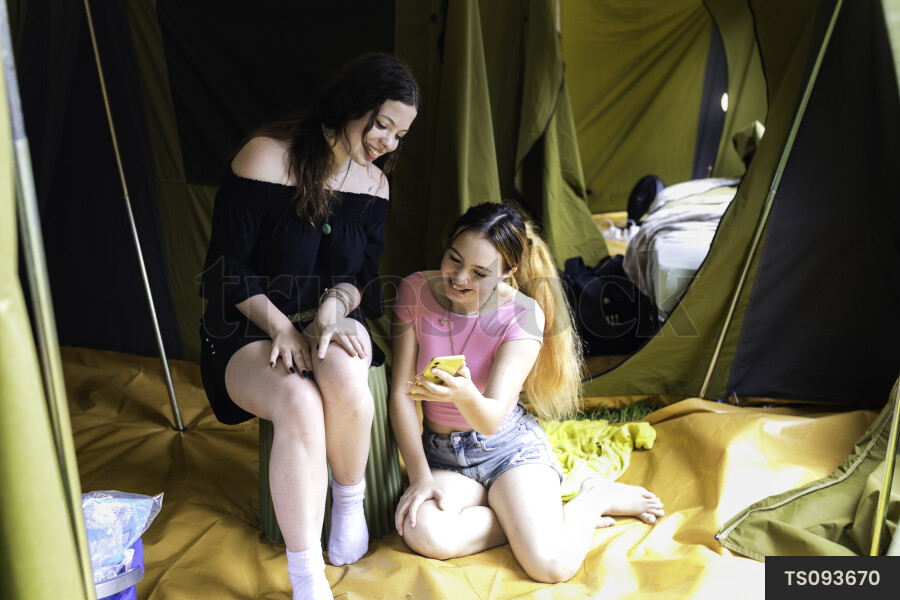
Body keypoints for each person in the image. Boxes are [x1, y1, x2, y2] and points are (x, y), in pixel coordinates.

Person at [199, 52, 419, 600]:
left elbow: (360, 279)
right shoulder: (265, 156)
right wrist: (282, 328)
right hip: (249, 323)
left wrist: (331, 311)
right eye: (382, 125)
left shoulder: (374, 185)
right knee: (299, 401)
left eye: (400, 134)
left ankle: (348, 505)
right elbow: (226, 268)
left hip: (328, 315)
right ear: (351, 106)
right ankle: (306, 575)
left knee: (344, 371)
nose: (388, 143)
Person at [389, 202, 664, 583]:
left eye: (479, 273)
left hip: (508, 449)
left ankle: (593, 497)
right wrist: (420, 477)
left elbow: (490, 420)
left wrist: (464, 394)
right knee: (423, 531)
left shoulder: (523, 314)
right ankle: (518, 519)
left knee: (551, 566)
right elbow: (400, 395)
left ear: (508, 272)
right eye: (454, 259)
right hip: (444, 456)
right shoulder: (415, 289)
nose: (460, 278)